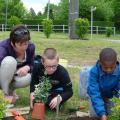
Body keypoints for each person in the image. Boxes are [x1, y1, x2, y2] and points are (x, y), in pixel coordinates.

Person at [0, 24, 35, 103]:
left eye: (26, 43)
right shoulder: (3, 48)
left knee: (28, 78)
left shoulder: (31, 47)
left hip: (13, 77)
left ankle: (10, 91)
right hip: (1, 76)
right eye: (20, 44)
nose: (24, 47)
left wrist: (27, 67)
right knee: (9, 61)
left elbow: (32, 64)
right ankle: (4, 95)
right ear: (12, 43)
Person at [87, 48, 120, 120]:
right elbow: (95, 93)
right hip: (97, 95)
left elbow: (119, 91)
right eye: (105, 67)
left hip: (111, 96)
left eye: (112, 67)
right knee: (95, 116)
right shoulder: (94, 71)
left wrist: (116, 102)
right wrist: (102, 113)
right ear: (100, 63)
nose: (109, 70)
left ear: (115, 63)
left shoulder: (119, 71)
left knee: (113, 114)